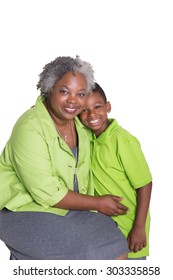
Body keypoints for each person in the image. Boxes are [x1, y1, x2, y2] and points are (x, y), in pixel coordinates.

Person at [0, 56, 129, 260]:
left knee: (117, 244)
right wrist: (97, 203)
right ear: (49, 89)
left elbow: (109, 142)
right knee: (87, 253)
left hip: (71, 208)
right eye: (64, 91)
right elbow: (47, 193)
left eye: (80, 94)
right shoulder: (29, 128)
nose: (72, 100)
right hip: (22, 209)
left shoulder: (80, 123)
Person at [79, 83, 152, 260]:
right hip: (105, 226)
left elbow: (145, 183)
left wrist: (139, 227)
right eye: (84, 110)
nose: (92, 115)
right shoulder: (87, 137)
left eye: (97, 107)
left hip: (129, 225)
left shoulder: (122, 140)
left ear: (108, 107)